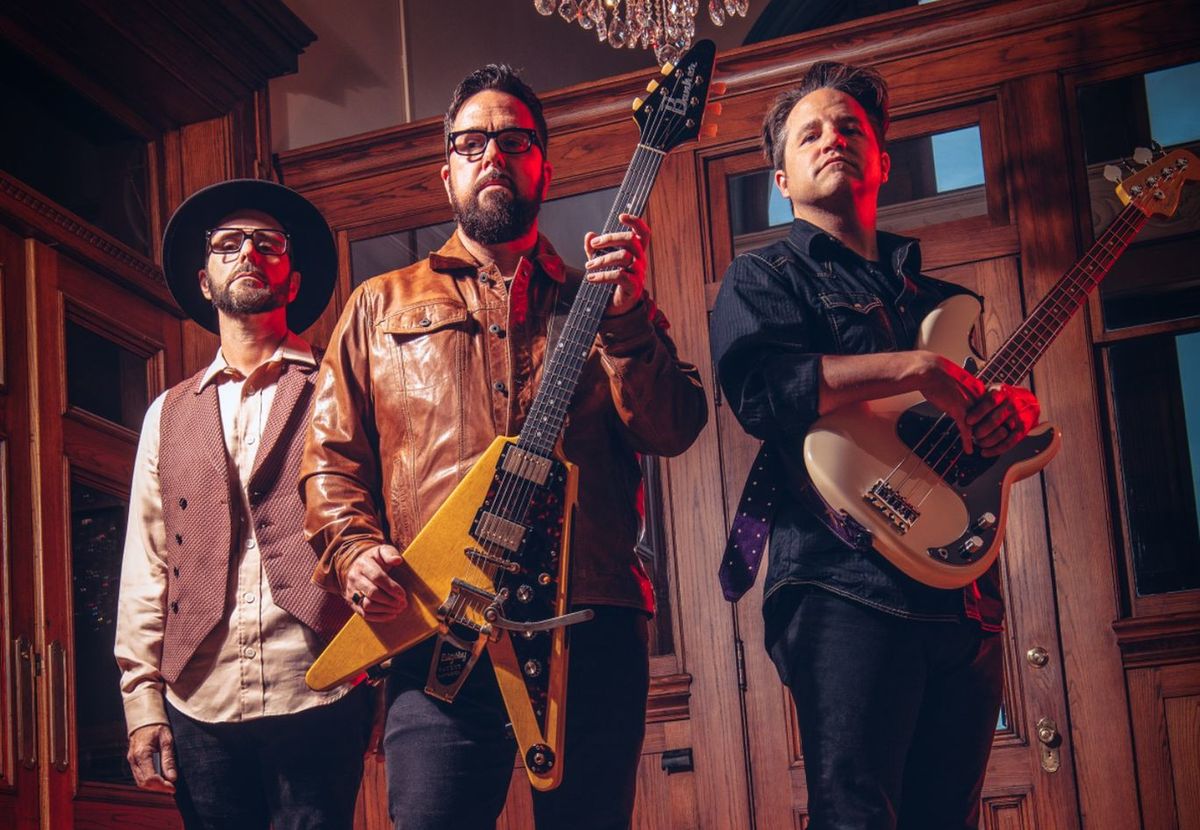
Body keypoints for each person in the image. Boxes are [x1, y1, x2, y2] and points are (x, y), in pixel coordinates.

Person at [300, 64, 708, 830]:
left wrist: (627, 319)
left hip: (589, 620)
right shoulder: (376, 306)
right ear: (447, 172)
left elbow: (674, 426)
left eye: (515, 140)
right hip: (436, 618)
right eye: (471, 141)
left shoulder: (603, 299)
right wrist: (353, 551)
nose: (493, 153)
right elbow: (330, 463)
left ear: (544, 168)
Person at [709, 62, 1041, 829]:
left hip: (962, 597)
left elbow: (967, 444)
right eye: (810, 134)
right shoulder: (762, 277)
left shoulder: (942, 304)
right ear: (782, 182)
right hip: (840, 581)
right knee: (856, 815)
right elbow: (761, 392)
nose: (832, 139)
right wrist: (912, 369)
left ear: (883, 162)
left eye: (850, 128)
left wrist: (1005, 419)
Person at [115, 179, 371, 829]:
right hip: (198, 699)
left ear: (293, 278)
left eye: (267, 243)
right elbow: (148, 563)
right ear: (205, 281)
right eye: (228, 244)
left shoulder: (341, 386)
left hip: (320, 682)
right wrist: (142, 702)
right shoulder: (167, 414)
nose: (248, 253)